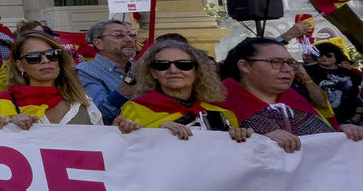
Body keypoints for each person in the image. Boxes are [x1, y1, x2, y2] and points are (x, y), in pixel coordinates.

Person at [218, 37, 363, 153]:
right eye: (276, 62)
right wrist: (258, 141)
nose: (287, 69)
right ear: (245, 66)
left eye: (290, 63)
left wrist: (343, 135)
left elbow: (328, 148)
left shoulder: (300, 102)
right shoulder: (215, 111)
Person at [115, 39, 249, 141]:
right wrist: (158, 132)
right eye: (162, 65)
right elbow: (129, 153)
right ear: (153, 72)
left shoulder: (221, 113)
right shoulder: (135, 109)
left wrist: (242, 138)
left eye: (184, 65)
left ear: (197, 71)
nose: (173, 70)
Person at [0, 31, 101, 127]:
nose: (46, 60)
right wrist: (9, 126)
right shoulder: (3, 103)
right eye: (34, 57)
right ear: (20, 65)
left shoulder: (82, 101)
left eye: (52, 54)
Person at [74, 19, 137, 123]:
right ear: (99, 43)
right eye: (118, 35)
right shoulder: (86, 71)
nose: (129, 39)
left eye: (131, 35)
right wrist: (132, 80)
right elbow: (100, 113)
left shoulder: (138, 66)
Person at [305, 42, 362, 125]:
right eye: (320, 55)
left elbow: (358, 97)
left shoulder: (350, 73)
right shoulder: (308, 71)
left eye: (328, 55)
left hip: (351, 118)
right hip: (322, 120)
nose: (324, 58)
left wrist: (357, 116)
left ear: (336, 56)